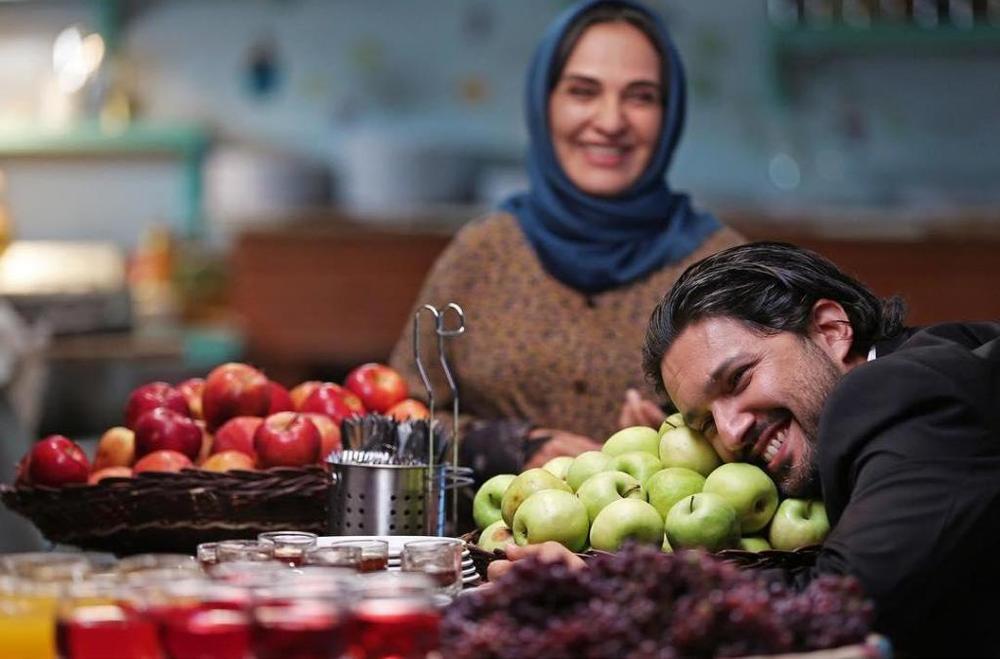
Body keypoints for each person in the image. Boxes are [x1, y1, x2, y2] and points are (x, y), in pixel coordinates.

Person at [493, 241, 1000, 656]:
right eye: (704, 422)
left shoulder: (897, 392)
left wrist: (610, 593)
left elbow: (836, 605)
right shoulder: (940, 356)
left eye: (738, 379)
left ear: (830, 328)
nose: (731, 433)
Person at [388, 0, 742, 481]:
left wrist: (690, 448)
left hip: (666, 554)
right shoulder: (483, 252)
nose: (611, 121)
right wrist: (510, 447)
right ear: (544, 101)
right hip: (484, 549)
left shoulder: (724, 269)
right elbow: (397, 419)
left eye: (640, 96)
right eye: (583, 91)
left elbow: (777, 438)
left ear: (670, 112)